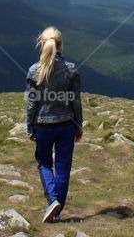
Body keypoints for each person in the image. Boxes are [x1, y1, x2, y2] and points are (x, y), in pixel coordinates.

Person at [25, 26, 83, 223]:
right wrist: (79, 125)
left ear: (42, 44)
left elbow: (32, 103)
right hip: (66, 125)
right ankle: (56, 212)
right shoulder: (71, 69)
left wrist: (30, 127)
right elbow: (76, 101)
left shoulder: (34, 71)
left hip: (43, 126)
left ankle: (52, 200)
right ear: (60, 44)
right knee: (63, 168)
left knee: (44, 163)